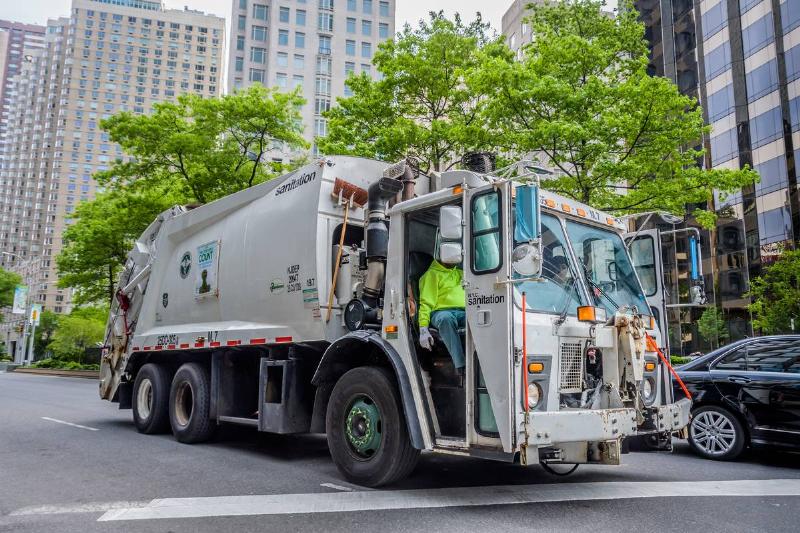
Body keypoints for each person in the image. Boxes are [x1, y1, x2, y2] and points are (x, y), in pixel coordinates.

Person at [417, 255, 466, 374]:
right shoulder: (431, 275)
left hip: (463, 311)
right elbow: (426, 303)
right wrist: (423, 328)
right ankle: (461, 366)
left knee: (477, 318)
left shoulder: (461, 273)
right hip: (440, 312)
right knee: (446, 319)